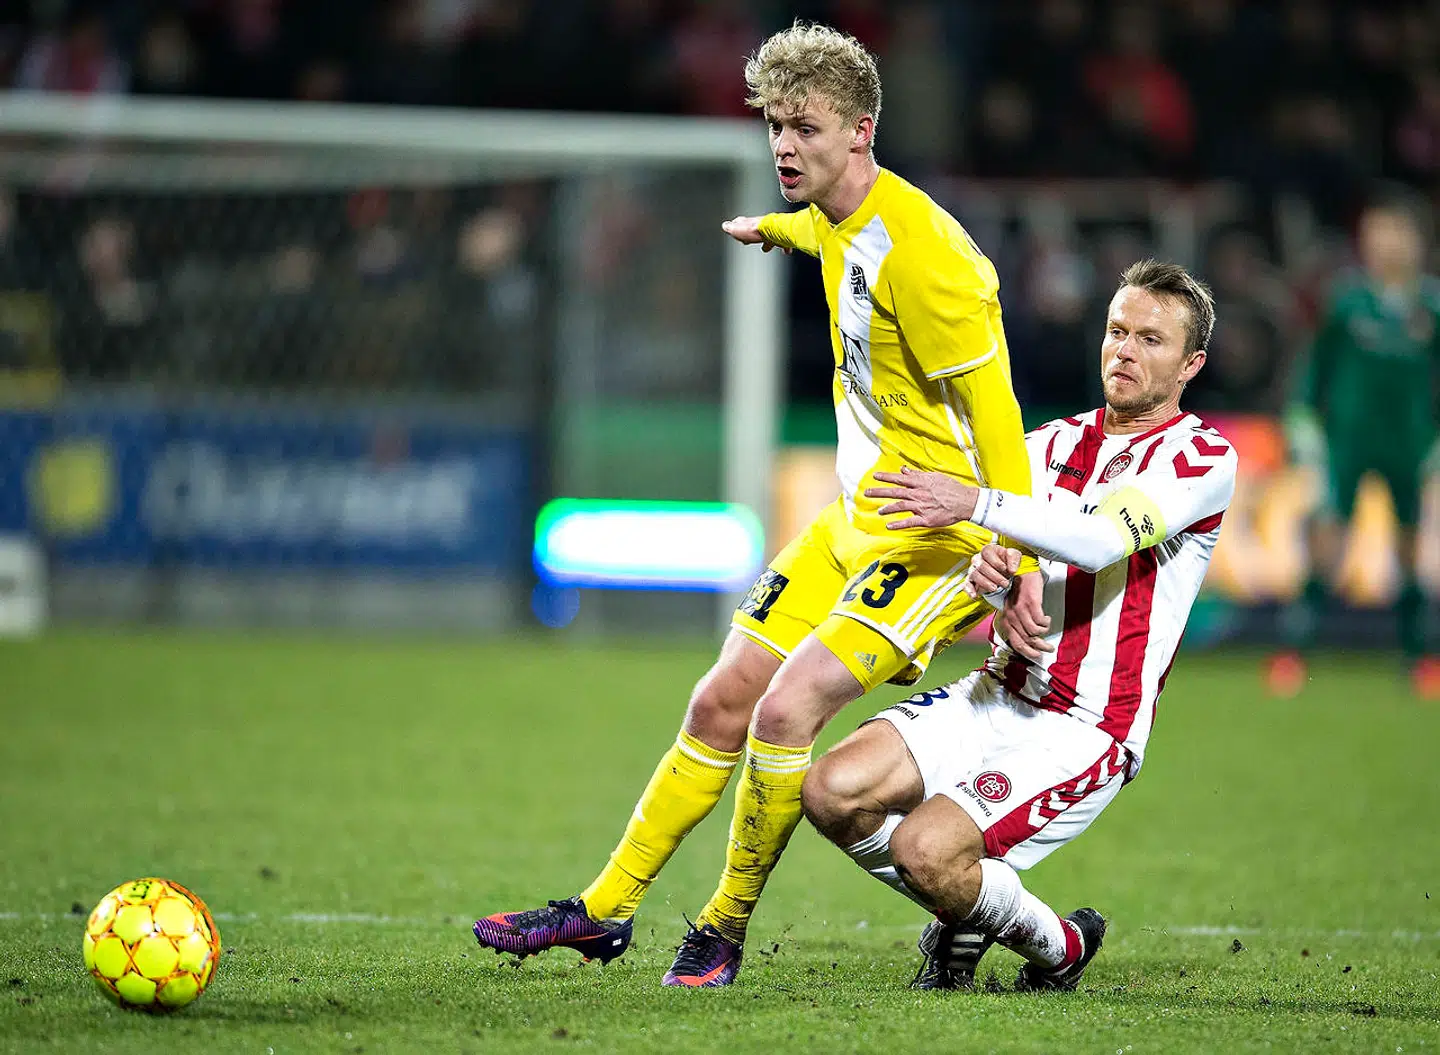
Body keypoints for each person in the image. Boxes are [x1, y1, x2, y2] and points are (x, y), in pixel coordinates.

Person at [473, 21, 1037, 988]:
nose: (783, 145)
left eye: (805, 129)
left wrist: (1015, 563)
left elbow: (1000, 418)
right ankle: (603, 910)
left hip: (938, 538)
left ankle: (722, 926)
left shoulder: (930, 260)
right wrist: (771, 229)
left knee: (785, 711)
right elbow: (825, 232)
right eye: (775, 126)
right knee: (720, 697)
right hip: (855, 516)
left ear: (861, 131)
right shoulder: (837, 213)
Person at [802, 260, 1237, 991]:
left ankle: (1059, 947)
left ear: (1191, 364)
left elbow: (1098, 541)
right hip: (996, 691)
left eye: (1151, 340)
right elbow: (1005, 549)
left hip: (1086, 725)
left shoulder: (1200, 458)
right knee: (830, 790)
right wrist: (993, 573)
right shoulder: (1049, 444)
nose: (1125, 350)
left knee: (925, 851)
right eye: (1117, 331)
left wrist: (975, 503)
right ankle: (973, 905)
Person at [1271, 195, 1440, 697]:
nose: (1386, 244)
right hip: (1347, 443)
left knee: (1409, 546)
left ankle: (1418, 656)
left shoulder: (1431, 307)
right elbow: (1315, 368)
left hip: (1409, 444)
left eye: (1396, 233)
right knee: (1329, 541)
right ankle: (1294, 652)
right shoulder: (1346, 302)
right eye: (1376, 233)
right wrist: (1302, 418)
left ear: (1418, 242)